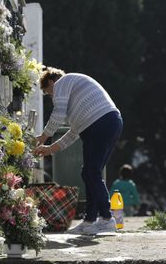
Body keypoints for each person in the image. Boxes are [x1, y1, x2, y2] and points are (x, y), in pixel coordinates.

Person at [33, 67, 123, 235]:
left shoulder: (62, 83)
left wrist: (44, 137)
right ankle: (89, 222)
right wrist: (50, 149)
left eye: (48, 92)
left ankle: (107, 218)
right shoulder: (74, 96)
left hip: (100, 123)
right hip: (107, 123)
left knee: (91, 173)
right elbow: (73, 133)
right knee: (90, 173)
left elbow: (58, 114)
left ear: (51, 82)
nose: (51, 96)